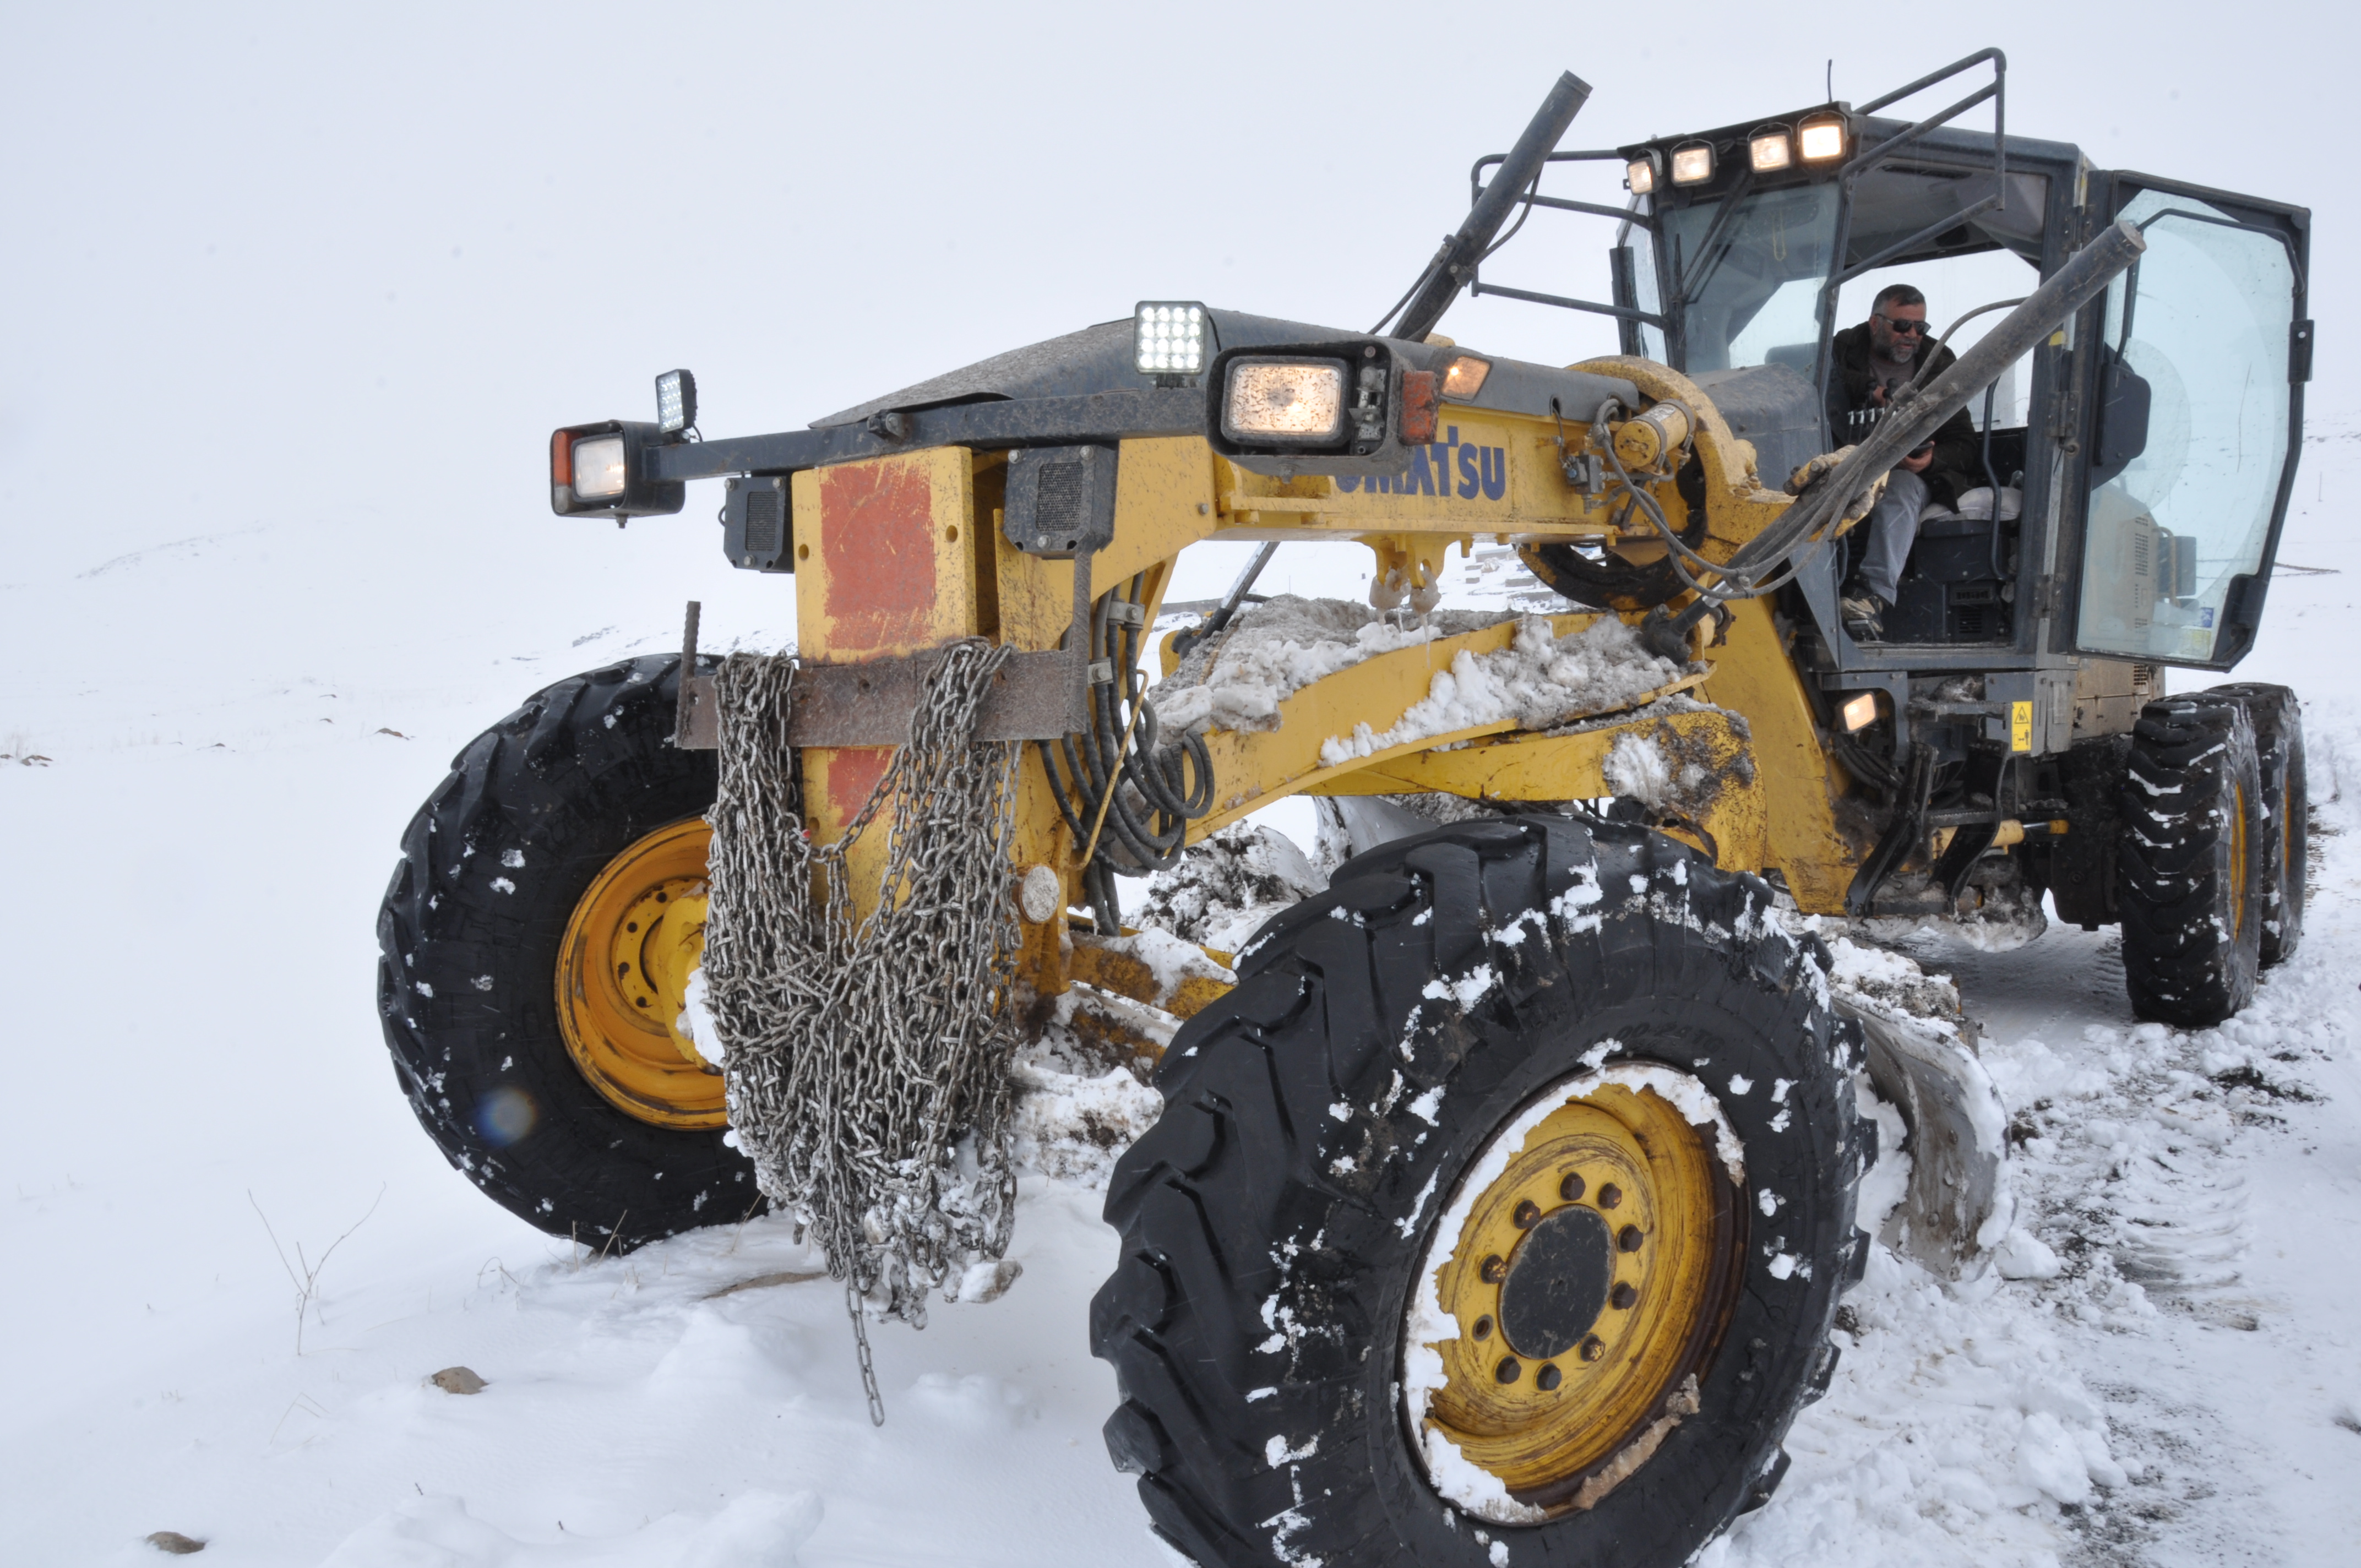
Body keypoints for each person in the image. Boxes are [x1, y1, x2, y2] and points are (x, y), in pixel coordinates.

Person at [1826, 283, 1979, 641]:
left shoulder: (1940, 364)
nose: (1911, 335)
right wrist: (1871, 391)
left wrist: (1928, 461)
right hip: (1842, 463)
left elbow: (1965, 444)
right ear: (1875, 322)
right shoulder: (1842, 349)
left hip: (1905, 475)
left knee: (1901, 488)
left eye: (1920, 328)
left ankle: (1872, 597)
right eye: (1901, 326)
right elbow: (1817, 380)